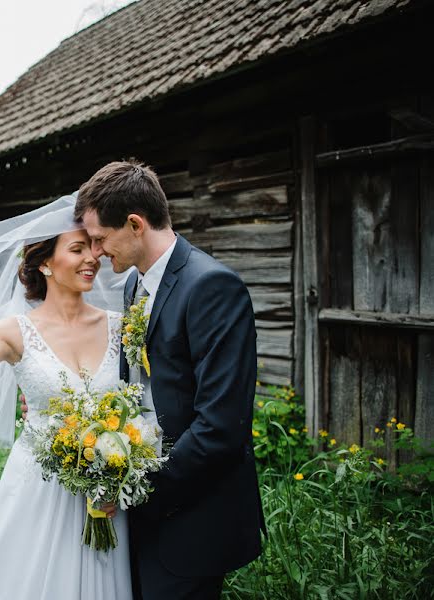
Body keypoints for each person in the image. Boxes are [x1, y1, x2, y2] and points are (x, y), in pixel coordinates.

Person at [0, 194, 136, 599]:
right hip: (38, 489)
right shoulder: (15, 331)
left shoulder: (123, 328)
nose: (92, 258)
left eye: (93, 247)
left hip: (104, 492)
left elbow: (140, 405)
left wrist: (123, 470)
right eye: (77, 248)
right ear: (46, 263)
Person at [69, 159, 265, 599]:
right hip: (143, 510)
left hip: (192, 515)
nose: (96, 253)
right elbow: (139, 384)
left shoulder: (212, 286)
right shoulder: (133, 285)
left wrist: (140, 494)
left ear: (135, 224)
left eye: (100, 239)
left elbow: (221, 427)